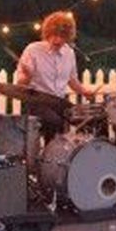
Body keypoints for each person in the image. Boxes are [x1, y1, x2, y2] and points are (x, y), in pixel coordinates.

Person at [17, 11, 95, 144]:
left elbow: (72, 80)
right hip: (37, 102)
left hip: (59, 102)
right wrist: (27, 76)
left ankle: (67, 152)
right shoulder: (33, 50)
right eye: (54, 35)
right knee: (55, 122)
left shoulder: (69, 53)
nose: (57, 40)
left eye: (62, 36)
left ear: (68, 37)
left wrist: (84, 91)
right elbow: (20, 83)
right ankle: (50, 153)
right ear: (47, 33)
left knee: (86, 120)